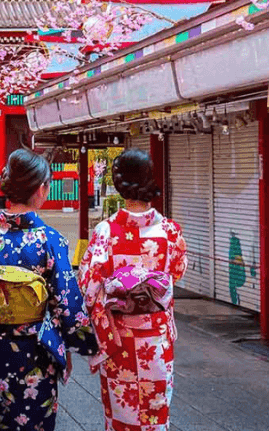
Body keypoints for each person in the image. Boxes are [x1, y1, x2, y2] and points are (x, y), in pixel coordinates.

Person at [0, 149, 98, 431]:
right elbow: (66, 300)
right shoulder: (50, 240)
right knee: (36, 422)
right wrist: (83, 345)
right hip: (36, 350)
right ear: (41, 189)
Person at [79, 148, 188, 431]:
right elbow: (176, 272)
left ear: (118, 183)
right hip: (156, 338)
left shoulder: (106, 231)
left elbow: (89, 286)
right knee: (155, 414)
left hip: (120, 339)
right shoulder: (170, 231)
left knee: (121, 415)